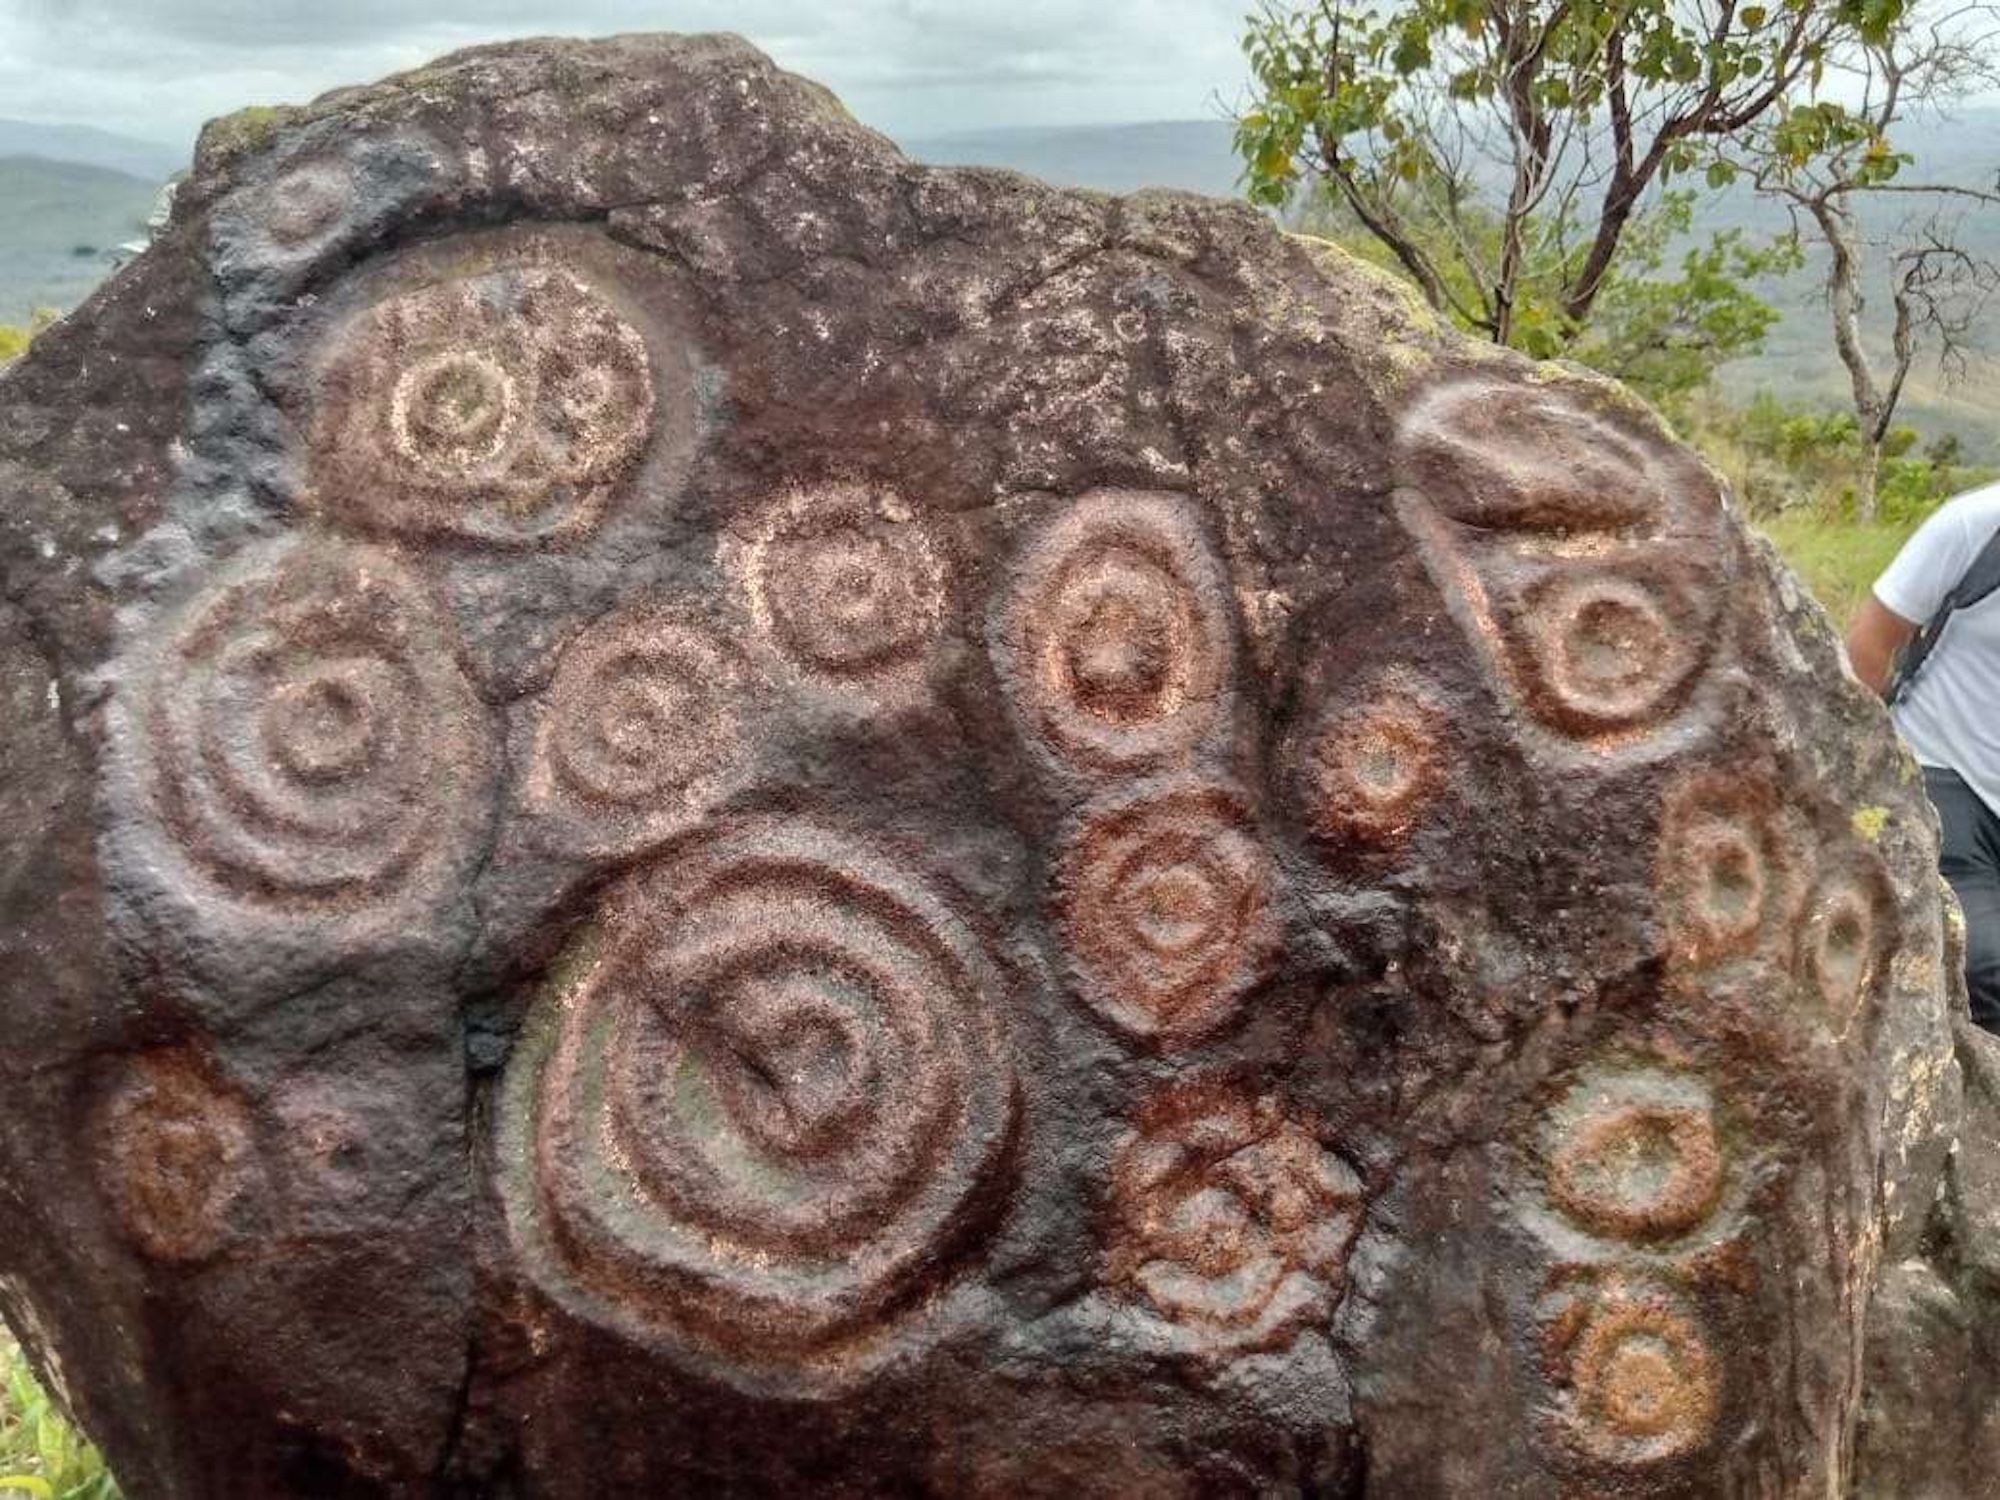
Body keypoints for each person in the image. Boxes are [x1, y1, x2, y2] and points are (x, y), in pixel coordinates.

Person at [1846, 481, 2000, 1033]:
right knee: (1983, 965)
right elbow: (1871, 643)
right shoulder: (1975, 525)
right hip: (1945, 773)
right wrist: (1856, 771)